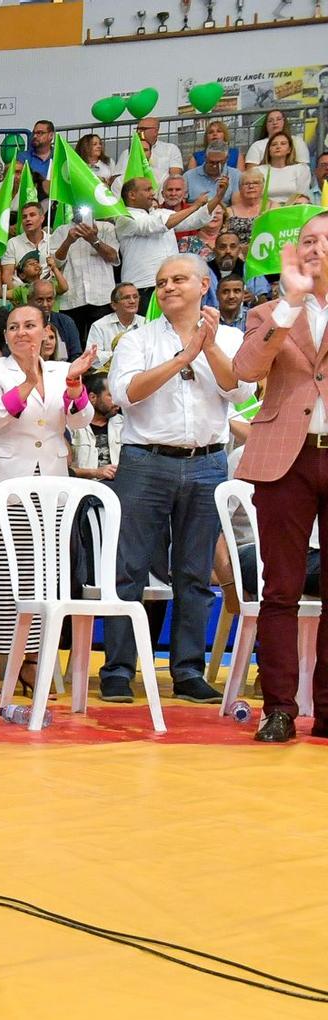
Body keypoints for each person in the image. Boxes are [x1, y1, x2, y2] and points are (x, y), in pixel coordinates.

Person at [101, 255, 254, 708]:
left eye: (178, 279)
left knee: (194, 571)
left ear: (204, 284)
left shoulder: (228, 337)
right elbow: (125, 394)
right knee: (127, 569)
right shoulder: (138, 338)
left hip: (207, 462)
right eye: (161, 281)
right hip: (145, 461)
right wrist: (181, 358)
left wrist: (206, 349)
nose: (167, 287)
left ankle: (187, 669)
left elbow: (240, 390)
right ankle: (118, 670)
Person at [229, 215, 328, 741]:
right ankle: (280, 709)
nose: (313, 248)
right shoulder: (270, 311)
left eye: (323, 241)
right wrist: (291, 303)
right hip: (285, 458)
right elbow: (245, 369)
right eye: (305, 241)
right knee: (281, 589)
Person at [0, 306, 95, 698]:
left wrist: (75, 388)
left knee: (41, 578)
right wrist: (25, 382)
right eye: (13, 327)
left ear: (46, 331)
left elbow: (80, 420)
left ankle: (31, 661)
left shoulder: (61, 371)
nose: (22, 333)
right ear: (4, 335)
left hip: (51, 487)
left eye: (30, 325)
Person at [116, 174, 207, 310]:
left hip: (171, 284)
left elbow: (193, 221)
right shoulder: (125, 217)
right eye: (147, 189)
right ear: (132, 195)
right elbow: (156, 225)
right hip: (144, 287)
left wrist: (217, 197)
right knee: (148, 329)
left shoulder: (160, 213)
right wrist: (195, 206)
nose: (152, 193)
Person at [48, 206, 119, 342]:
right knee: (75, 346)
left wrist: (94, 240)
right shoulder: (61, 231)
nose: (79, 209)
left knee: (102, 344)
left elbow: (113, 258)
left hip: (102, 297)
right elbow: (55, 264)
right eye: (77, 206)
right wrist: (68, 241)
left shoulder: (106, 228)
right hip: (72, 298)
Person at [84, 281, 143, 371]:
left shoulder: (146, 323)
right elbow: (91, 357)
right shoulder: (99, 326)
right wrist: (122, 354)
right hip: (109, 374)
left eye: (135, 297)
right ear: (114, 305)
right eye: (127, 298)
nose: (132, 301)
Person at [117, 116, 184, 183]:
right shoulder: (128, 152)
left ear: (155, 131)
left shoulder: (171, 149)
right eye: (137, 129)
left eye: (143, 129)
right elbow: (118, 177)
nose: (139, 132)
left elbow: (175, 176)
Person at [257, 132, 312, 205]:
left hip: (293, 210)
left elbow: (302, 196)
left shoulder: (301, 169)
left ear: (289, 149)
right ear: (269, 150)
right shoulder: (258, 171)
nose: (278, 146)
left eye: (283, 143)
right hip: (266, 211)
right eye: (274, 144)